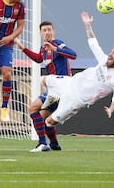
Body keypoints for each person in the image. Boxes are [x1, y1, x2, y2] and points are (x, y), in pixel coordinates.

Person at [43, 11, 114, 127]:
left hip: (76, 100)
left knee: (49, 122)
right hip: (71, 82)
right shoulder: (104, 59)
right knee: (43, 80)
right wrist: (87, 25)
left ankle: (48, 142)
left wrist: (111, 109)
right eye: (111, 52)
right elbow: (93, 43)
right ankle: (52, 95)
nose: (111, 54)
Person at [13, 21, 77, 152]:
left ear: (54, 31)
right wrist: (22, 48)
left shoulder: (57, 43)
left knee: (32, 108)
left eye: (49, 30)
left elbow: (73, 55)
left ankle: (43, 143)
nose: (47, 32)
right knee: (44, 119)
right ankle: (54, 144)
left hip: (62, 87)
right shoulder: (44, 49)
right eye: (44, 30)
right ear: (40, 34)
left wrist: (55, 49)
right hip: (55, 90)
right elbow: (38, 59)